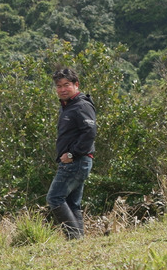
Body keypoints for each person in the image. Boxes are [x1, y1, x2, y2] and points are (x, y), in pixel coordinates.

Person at [47, 67, 97, 240]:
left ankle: (74, 237)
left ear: (76, 85)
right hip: (77, 161)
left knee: (54, 198)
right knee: (72, 203)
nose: (62, 89)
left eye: (66, 85)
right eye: (59, 86)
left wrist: (72, 154)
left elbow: (89, 132)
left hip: (76, 161)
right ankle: (78, 241)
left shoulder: (81, 105)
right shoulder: (68, 106)